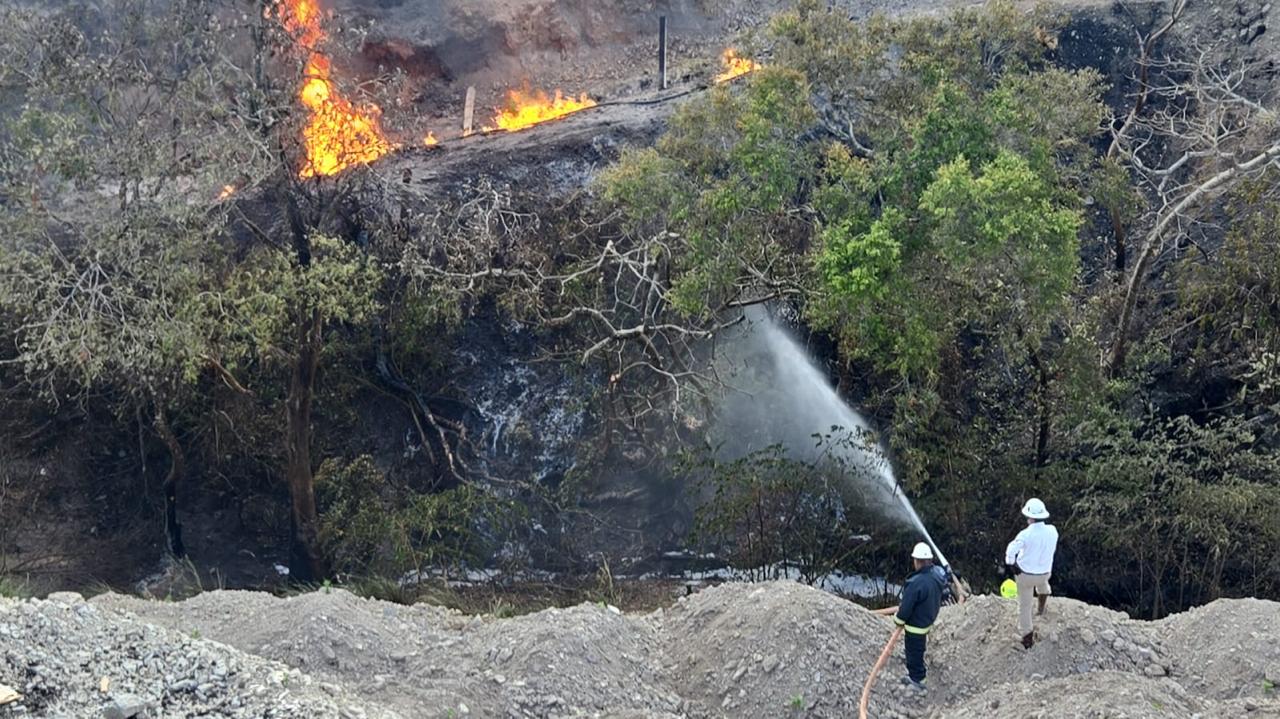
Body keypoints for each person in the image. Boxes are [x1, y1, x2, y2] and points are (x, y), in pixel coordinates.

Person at [1004, 497, 1059, 649]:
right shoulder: (1053, 531)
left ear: (1031, 517)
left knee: (1025, 605)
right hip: (1045, 573)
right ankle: (1041, 606)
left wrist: (1011, 563)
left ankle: (1027, 638)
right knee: (1042, 583)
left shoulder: (1025, 534)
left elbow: (1011, 550)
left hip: (1026, 575)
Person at [894, 542, 948, 692]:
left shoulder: (916, 582)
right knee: (918, 649)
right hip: (927, 621)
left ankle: (918, 680)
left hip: (915, 625)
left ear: (917, 561)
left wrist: (898, 619)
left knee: (913, 653)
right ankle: (918, 677)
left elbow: (906, 607)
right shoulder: (936, 576)